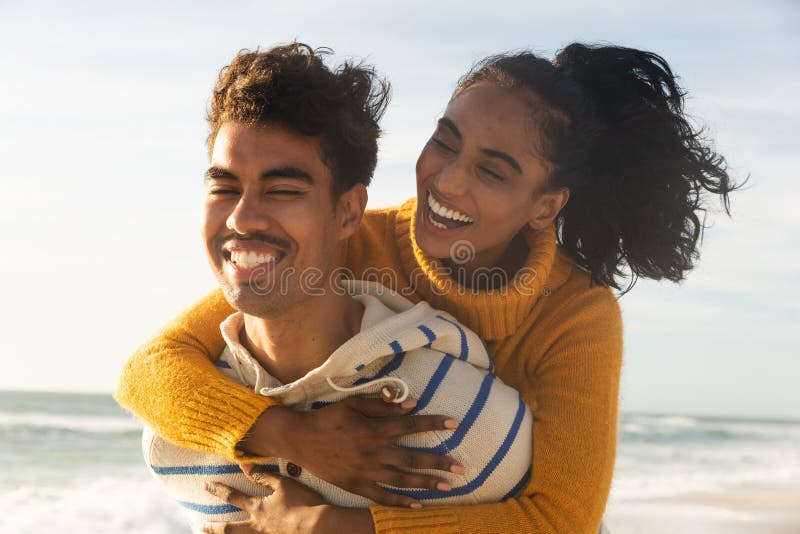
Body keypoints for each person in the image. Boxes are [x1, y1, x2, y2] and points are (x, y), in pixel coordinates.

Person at [116, 42, 738, 533]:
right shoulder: (358, 238)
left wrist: (338, 527)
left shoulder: (576, 314)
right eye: (445, 140)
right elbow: (150, 369)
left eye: (492, 170)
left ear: (544, 206)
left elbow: (558, 520)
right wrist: (295, 439)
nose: (447, 180)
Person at [138, 44, 534, 534]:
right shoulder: (176, 436)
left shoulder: (459, 423)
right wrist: (287, 436)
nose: (241, 218)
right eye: (224, 187)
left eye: (283, 190)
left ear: (349, 211)